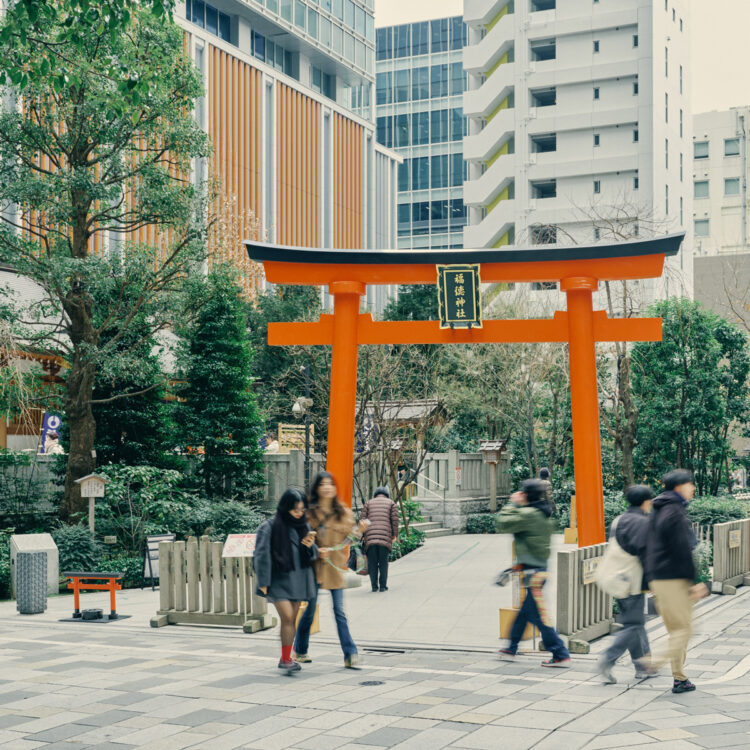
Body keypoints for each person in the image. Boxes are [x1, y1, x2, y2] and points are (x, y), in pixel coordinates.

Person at [293, 471, 369, 668]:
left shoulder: (342, 511)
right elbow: (303, 539)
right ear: (317, 488)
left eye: (330, 484)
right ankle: (300, 650)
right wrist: (317, 550)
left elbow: (348, 539)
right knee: (309, 611)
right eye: (323, 484)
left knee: (339, 611)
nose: (327, 487)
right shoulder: (309, 513)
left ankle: (350, 654)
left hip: (335, 568)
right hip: (313, 568)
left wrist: (359, 531)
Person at [643, 469, 709, 693]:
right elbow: (681, 550)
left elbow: (648, 546)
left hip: (659, 579)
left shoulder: (657, 510)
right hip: (674, 579)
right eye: (691, 485)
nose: (693, 489)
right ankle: (655, 661)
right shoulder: (674, 512)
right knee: (685, 630)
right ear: (679, 487)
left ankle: (680, 679)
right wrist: (694, 581)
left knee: (677, 632)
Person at [495, 478, 571, 667]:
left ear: (526, 495)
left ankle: (560, 653)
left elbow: (502, 523)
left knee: (538, 615)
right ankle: (511, 647)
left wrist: (512, 503)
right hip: (538, 570)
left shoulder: (529, 514)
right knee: (526, 612)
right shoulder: (543, 513)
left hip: (534, 574)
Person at [254, 488, 318, 672]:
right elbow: (261, 555)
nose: (299, 514)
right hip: (278, 580)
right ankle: (286, 658)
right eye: (295, 510)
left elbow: (312, 555)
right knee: (288, 617)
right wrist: (264, 582)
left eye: (302, 510)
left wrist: (309, 546)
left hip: (299, 578)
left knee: (291, 620)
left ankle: (285, 658)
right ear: (285, 507)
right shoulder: (269, 526)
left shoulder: (303, 526)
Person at [597, 484, 654, 684]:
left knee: (635, 622)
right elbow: (646, 555)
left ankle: (644, 666)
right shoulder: (640, 522)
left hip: (613, 578)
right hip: (630, 581)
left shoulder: (619, 519)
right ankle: (608, 658)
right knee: (633, 624)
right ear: (647, 502)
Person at [360, 486, 399, 593]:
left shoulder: (368, 503)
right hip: (385, 538)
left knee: (372, 563)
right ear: (387, 494)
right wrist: (394, 535)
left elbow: (363, 520)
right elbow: (394, 521)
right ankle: (382, 586)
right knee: (383, 562)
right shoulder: (391, 503)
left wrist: (363, 535)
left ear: (375, 494)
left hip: (370, 538)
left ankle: (374, 586)